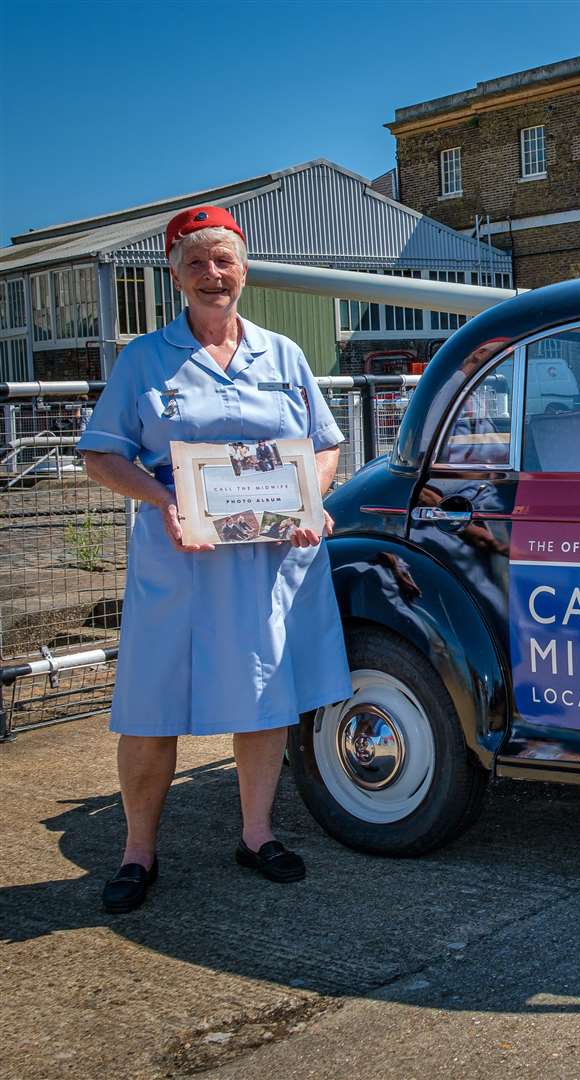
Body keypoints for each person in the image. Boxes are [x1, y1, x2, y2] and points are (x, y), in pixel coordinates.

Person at [76, 206, 352, 913]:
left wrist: (311, 500)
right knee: (150, 707)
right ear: (173, 274)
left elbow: (325, 445)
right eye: (195, 262)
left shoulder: (283, 353)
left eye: (223, 260)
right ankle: (138, 851)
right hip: (180, 561)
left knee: (264, 697)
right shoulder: (145, 358)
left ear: (245, 268)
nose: (212, 275)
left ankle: (257, 834)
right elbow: (102, 453)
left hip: (267, 559)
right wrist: (162, 504)